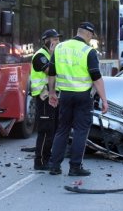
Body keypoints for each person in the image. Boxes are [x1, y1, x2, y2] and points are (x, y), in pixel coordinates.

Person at [47, 22, 109, 177]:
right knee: (81, 131)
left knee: (62, 130)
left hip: (65, 95)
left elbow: (52, 73)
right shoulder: (88, 51)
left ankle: (54, 166)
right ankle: (75, 167)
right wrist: (104, 100)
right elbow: (96, 77)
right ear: (88, 34)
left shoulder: (59, 48)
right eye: (91, 36)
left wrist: (52, 93)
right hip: (83, 96)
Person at [31, 29, 62, 171]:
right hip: (43, 97)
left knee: (53, 129)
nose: (57, 42)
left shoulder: (51, 55)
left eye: (58, 39)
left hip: (52, 97)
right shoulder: (40, 56)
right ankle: (40, 161)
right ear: (46, 41)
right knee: (45, 130)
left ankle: (47, 158)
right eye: (54, 39)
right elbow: (49, 71)